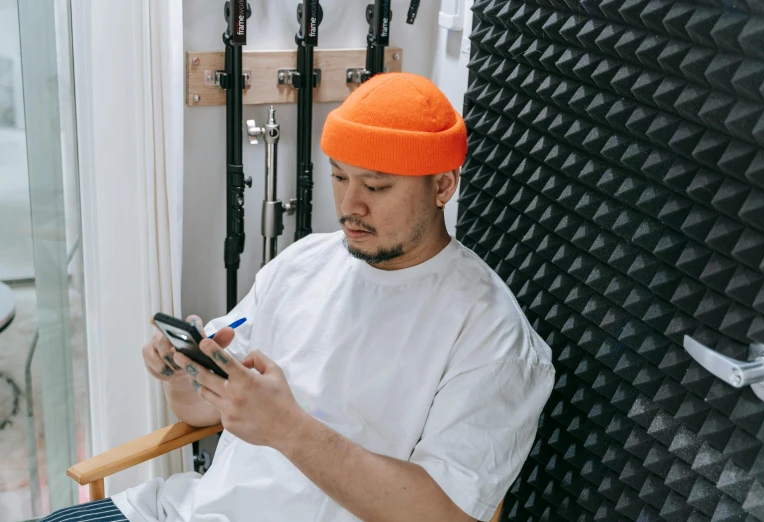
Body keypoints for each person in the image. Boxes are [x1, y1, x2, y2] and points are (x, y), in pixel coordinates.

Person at [43, 72, 555, 522]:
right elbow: (203, 414)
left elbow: (447, 515)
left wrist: (289, 429)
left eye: (376, 187)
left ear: (442, 186)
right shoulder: (306, 261)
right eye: (338, 178)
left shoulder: (492, 337)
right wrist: (181, 372)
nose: (350, 207)